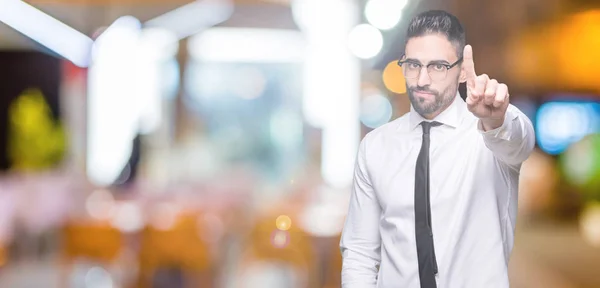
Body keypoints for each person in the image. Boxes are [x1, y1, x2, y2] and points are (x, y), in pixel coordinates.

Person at [339, 10, 535, 288]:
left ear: (462, 71)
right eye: (413, 65)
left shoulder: (491, 135)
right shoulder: (375, 147)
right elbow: (359, 253)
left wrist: (495, 119)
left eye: (438, 66)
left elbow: (520, 141)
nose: (421, 80)